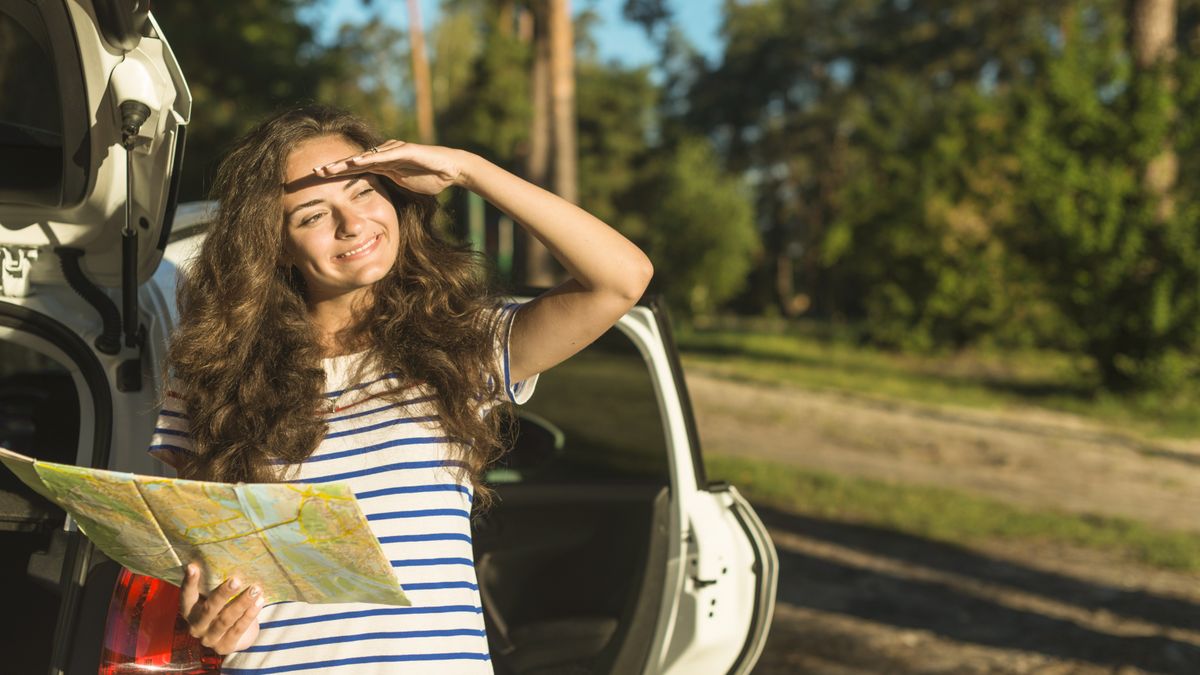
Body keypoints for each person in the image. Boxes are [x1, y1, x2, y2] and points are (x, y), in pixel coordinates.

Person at [147, 105, 653, 674]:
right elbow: (195, 564)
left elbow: (621, 278)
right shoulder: (212, 375)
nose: (353, 224)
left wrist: (467, 169)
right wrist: (205, 618)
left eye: (364, 192)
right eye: (313, 215)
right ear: (275, 245)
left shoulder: (462, 345)